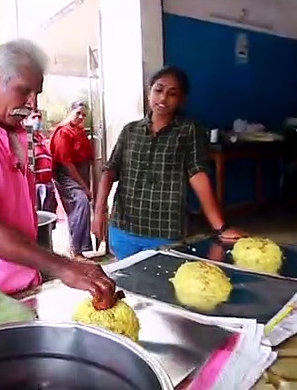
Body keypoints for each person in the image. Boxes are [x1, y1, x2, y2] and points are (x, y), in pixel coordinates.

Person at [0, 39, 116, 308]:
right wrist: (63, 267)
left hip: (21, 295)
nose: (32, 104)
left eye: (37, 94)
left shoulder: (17, 134)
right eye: (24, 91)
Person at [92, 66, 244, 260]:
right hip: (123, 229)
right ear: (149, 91)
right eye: (158, 90)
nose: (163, 98)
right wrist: (98, 213)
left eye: (172, 94)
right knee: (127, 283)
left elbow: (197, 175)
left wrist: (221, 227)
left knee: (163, 286)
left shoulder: (188, 130)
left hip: (164, 232)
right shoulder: (130, 131)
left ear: (182, 100)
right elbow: (110, 170)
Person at [49, 101, 94, 257]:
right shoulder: (63, 133)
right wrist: (84, 187)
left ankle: (78, 249)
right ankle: (77, 250)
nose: (81, 117)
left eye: (84, 115)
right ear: (70, 111)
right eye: (78, 113)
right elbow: (66, 163)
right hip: (67, 175)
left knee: (78, 210)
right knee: (81, 203)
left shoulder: (79, 132)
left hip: (81, 174)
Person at [25, 111, 58, 217]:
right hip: (35, 186)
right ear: (26, 120)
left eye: (39, 117)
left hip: (47, 185)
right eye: (33, 117)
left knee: (48, 218)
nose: (37, 120)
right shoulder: (26, 139)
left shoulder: (42, 139)